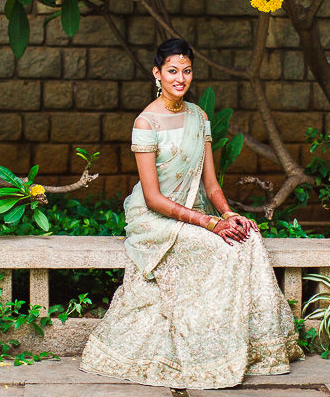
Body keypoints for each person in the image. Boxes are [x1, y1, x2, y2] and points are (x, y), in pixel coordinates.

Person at [80, 38, 302, 390]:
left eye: (186, 71)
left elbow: (211, 183)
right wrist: (210, 223)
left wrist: (228, 214)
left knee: (249, 239)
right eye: (172, 71)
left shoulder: (199, 116)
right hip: (155, 220)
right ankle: (210, 351)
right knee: (221, 251)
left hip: (195, 210)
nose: (180, 78)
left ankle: (260, 349)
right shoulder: (146, 122)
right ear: (157, 74)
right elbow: (153, 198)